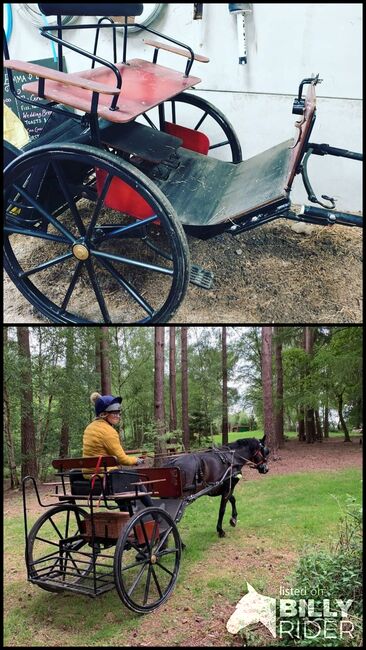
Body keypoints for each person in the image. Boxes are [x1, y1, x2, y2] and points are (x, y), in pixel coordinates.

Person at [83, 392, 153, 510]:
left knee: (124, 481)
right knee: (137, 482)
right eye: (114, 413)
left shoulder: (89, 428)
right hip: (104, 476)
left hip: (89, 475)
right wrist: (137, 460)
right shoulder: (108, 431)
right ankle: (156, 514)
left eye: (118, 413)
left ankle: (125, 514)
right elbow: (122, 459)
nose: (118, 416)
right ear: (104, 414)